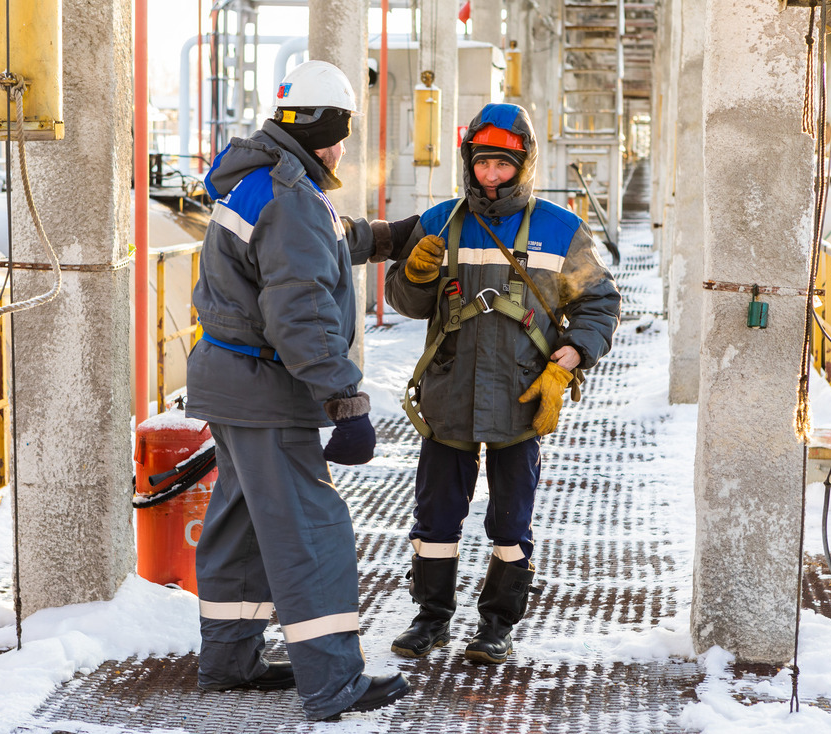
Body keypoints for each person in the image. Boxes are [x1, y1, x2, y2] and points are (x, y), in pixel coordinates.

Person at [186, 60, 417, 721]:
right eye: (341, 131)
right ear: (323, 130)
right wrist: (347, 402)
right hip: (263, 389)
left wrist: (389, 238)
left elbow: (317, 245)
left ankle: (228, 661)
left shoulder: (261, 182)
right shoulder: (291, 198)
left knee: (241, 525)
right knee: (308, 530)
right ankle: (332, 680)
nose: (344, 147)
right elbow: (301, 311)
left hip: (227, 382)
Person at [384, 103, 621, 665]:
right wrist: (413, 275)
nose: (491, 175)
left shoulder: (561, 230)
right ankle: (431, 618)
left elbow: (600, 301)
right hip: (449, 395)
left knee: (511, 519)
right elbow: (406, 302)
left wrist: (573, 354)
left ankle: (496, 624)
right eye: (483, 163)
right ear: (469, 161)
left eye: (504, 165)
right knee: (437, 516)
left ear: (524, 164)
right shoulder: (439, 222)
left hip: (521, 395)